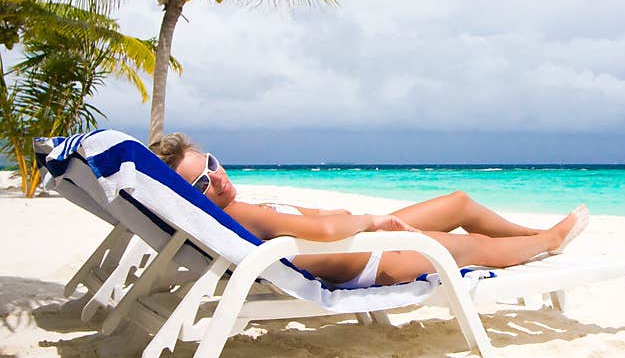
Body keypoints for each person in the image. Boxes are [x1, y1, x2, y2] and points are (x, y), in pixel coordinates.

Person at [150, 133, 590, 288]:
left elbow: (318, 215)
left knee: (458, 203)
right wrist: (372, 220)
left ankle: (531, 234)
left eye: (211, 164)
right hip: (379, 259)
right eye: (203, 182)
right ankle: (547, 241)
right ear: (194, 196)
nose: (218, 177)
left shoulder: (243, 207)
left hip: (365, 240)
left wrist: (355, 219)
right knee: (465, 245)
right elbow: (321, 229)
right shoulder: (242, 216)